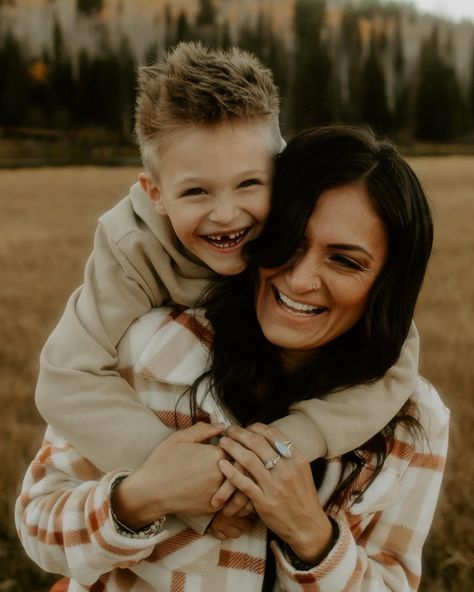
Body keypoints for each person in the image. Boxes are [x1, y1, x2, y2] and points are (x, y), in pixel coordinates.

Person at [16, 126, 449, 591]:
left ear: (387, 285)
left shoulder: (414, 420)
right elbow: (37, 525)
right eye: (290, 240)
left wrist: (311, 535)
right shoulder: (147, 348)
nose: (301, 279)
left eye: (345, 261)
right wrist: (140, 496)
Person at [33, 42, 419, 536]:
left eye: (248, 184)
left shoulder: (299, 227)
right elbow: (65, 373)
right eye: (196, 191)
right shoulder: (131, 246)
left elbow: (394, 355)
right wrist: (173, 471)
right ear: (156, 195)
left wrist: (290, 441)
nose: (226, 215)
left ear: (283, 173)